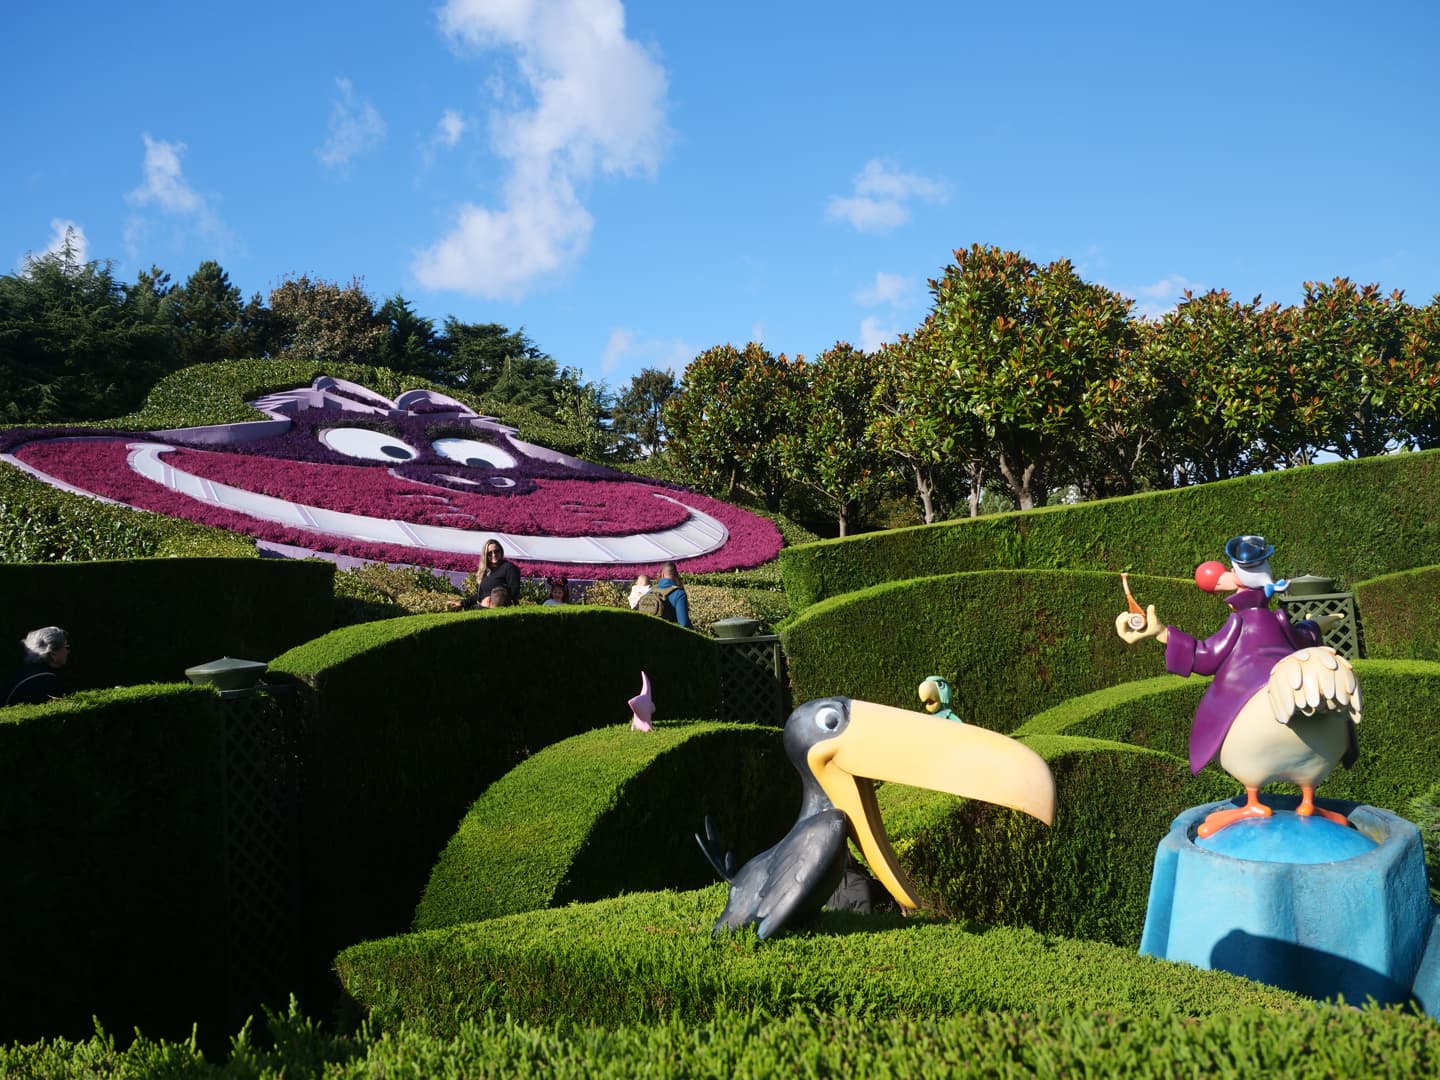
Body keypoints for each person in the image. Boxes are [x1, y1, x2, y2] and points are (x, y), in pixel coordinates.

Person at [3, 626, 70, 706]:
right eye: (66, 647)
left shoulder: (24, 671)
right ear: (53, 653)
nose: (68, 651)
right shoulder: (46, 680)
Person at [456, 538, 522, 610]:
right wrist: (462, 603)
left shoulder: (509, 567)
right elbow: (480, 595)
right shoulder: (487, 571)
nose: (494, 555)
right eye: (490, 553)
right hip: (481, 608)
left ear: (501, 551)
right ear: (485, 555)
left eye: (496, 551)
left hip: (497, 610)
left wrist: (497, 600)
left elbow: (514, 591)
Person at [653, 561, 691, 629]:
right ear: (676, 575)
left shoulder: (651, 591)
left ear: (662, 574)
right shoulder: (679, 594)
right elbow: (684, 624)